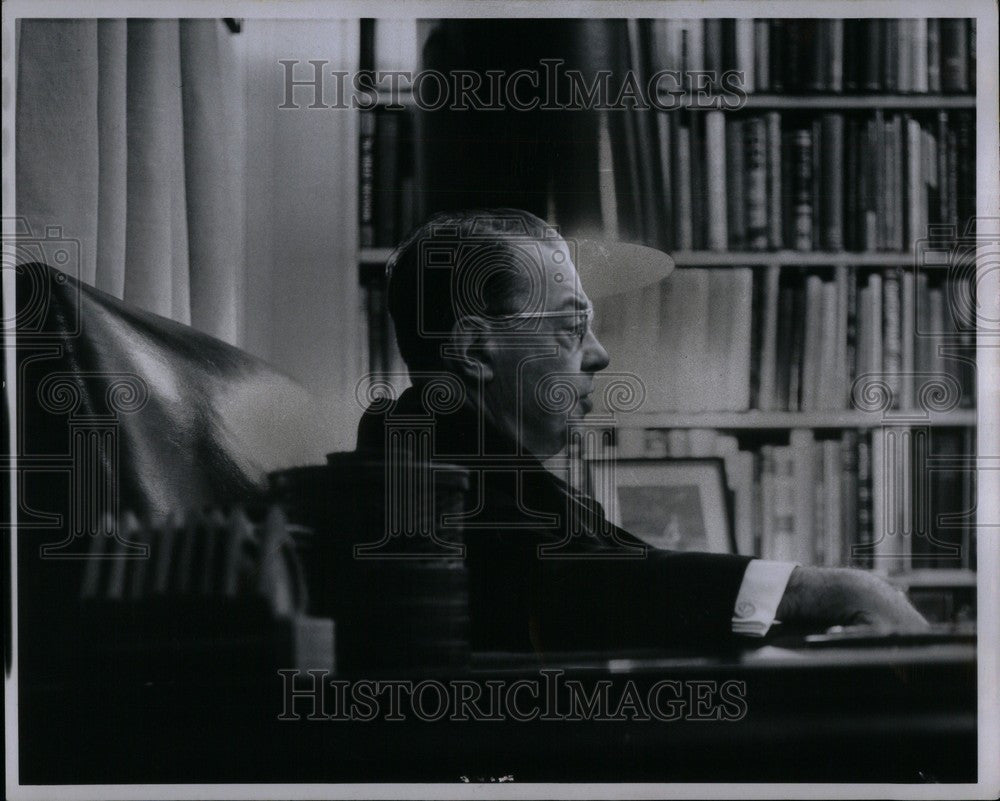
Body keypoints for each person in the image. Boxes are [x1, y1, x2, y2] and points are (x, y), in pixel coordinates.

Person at [356, 209, 927, 654]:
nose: (600, 356)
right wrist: (818, 590)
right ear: (475, 348)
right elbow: (589, 586)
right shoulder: (416, 478)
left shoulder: (471, 462)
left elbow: (620, 572)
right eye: (571, 327)